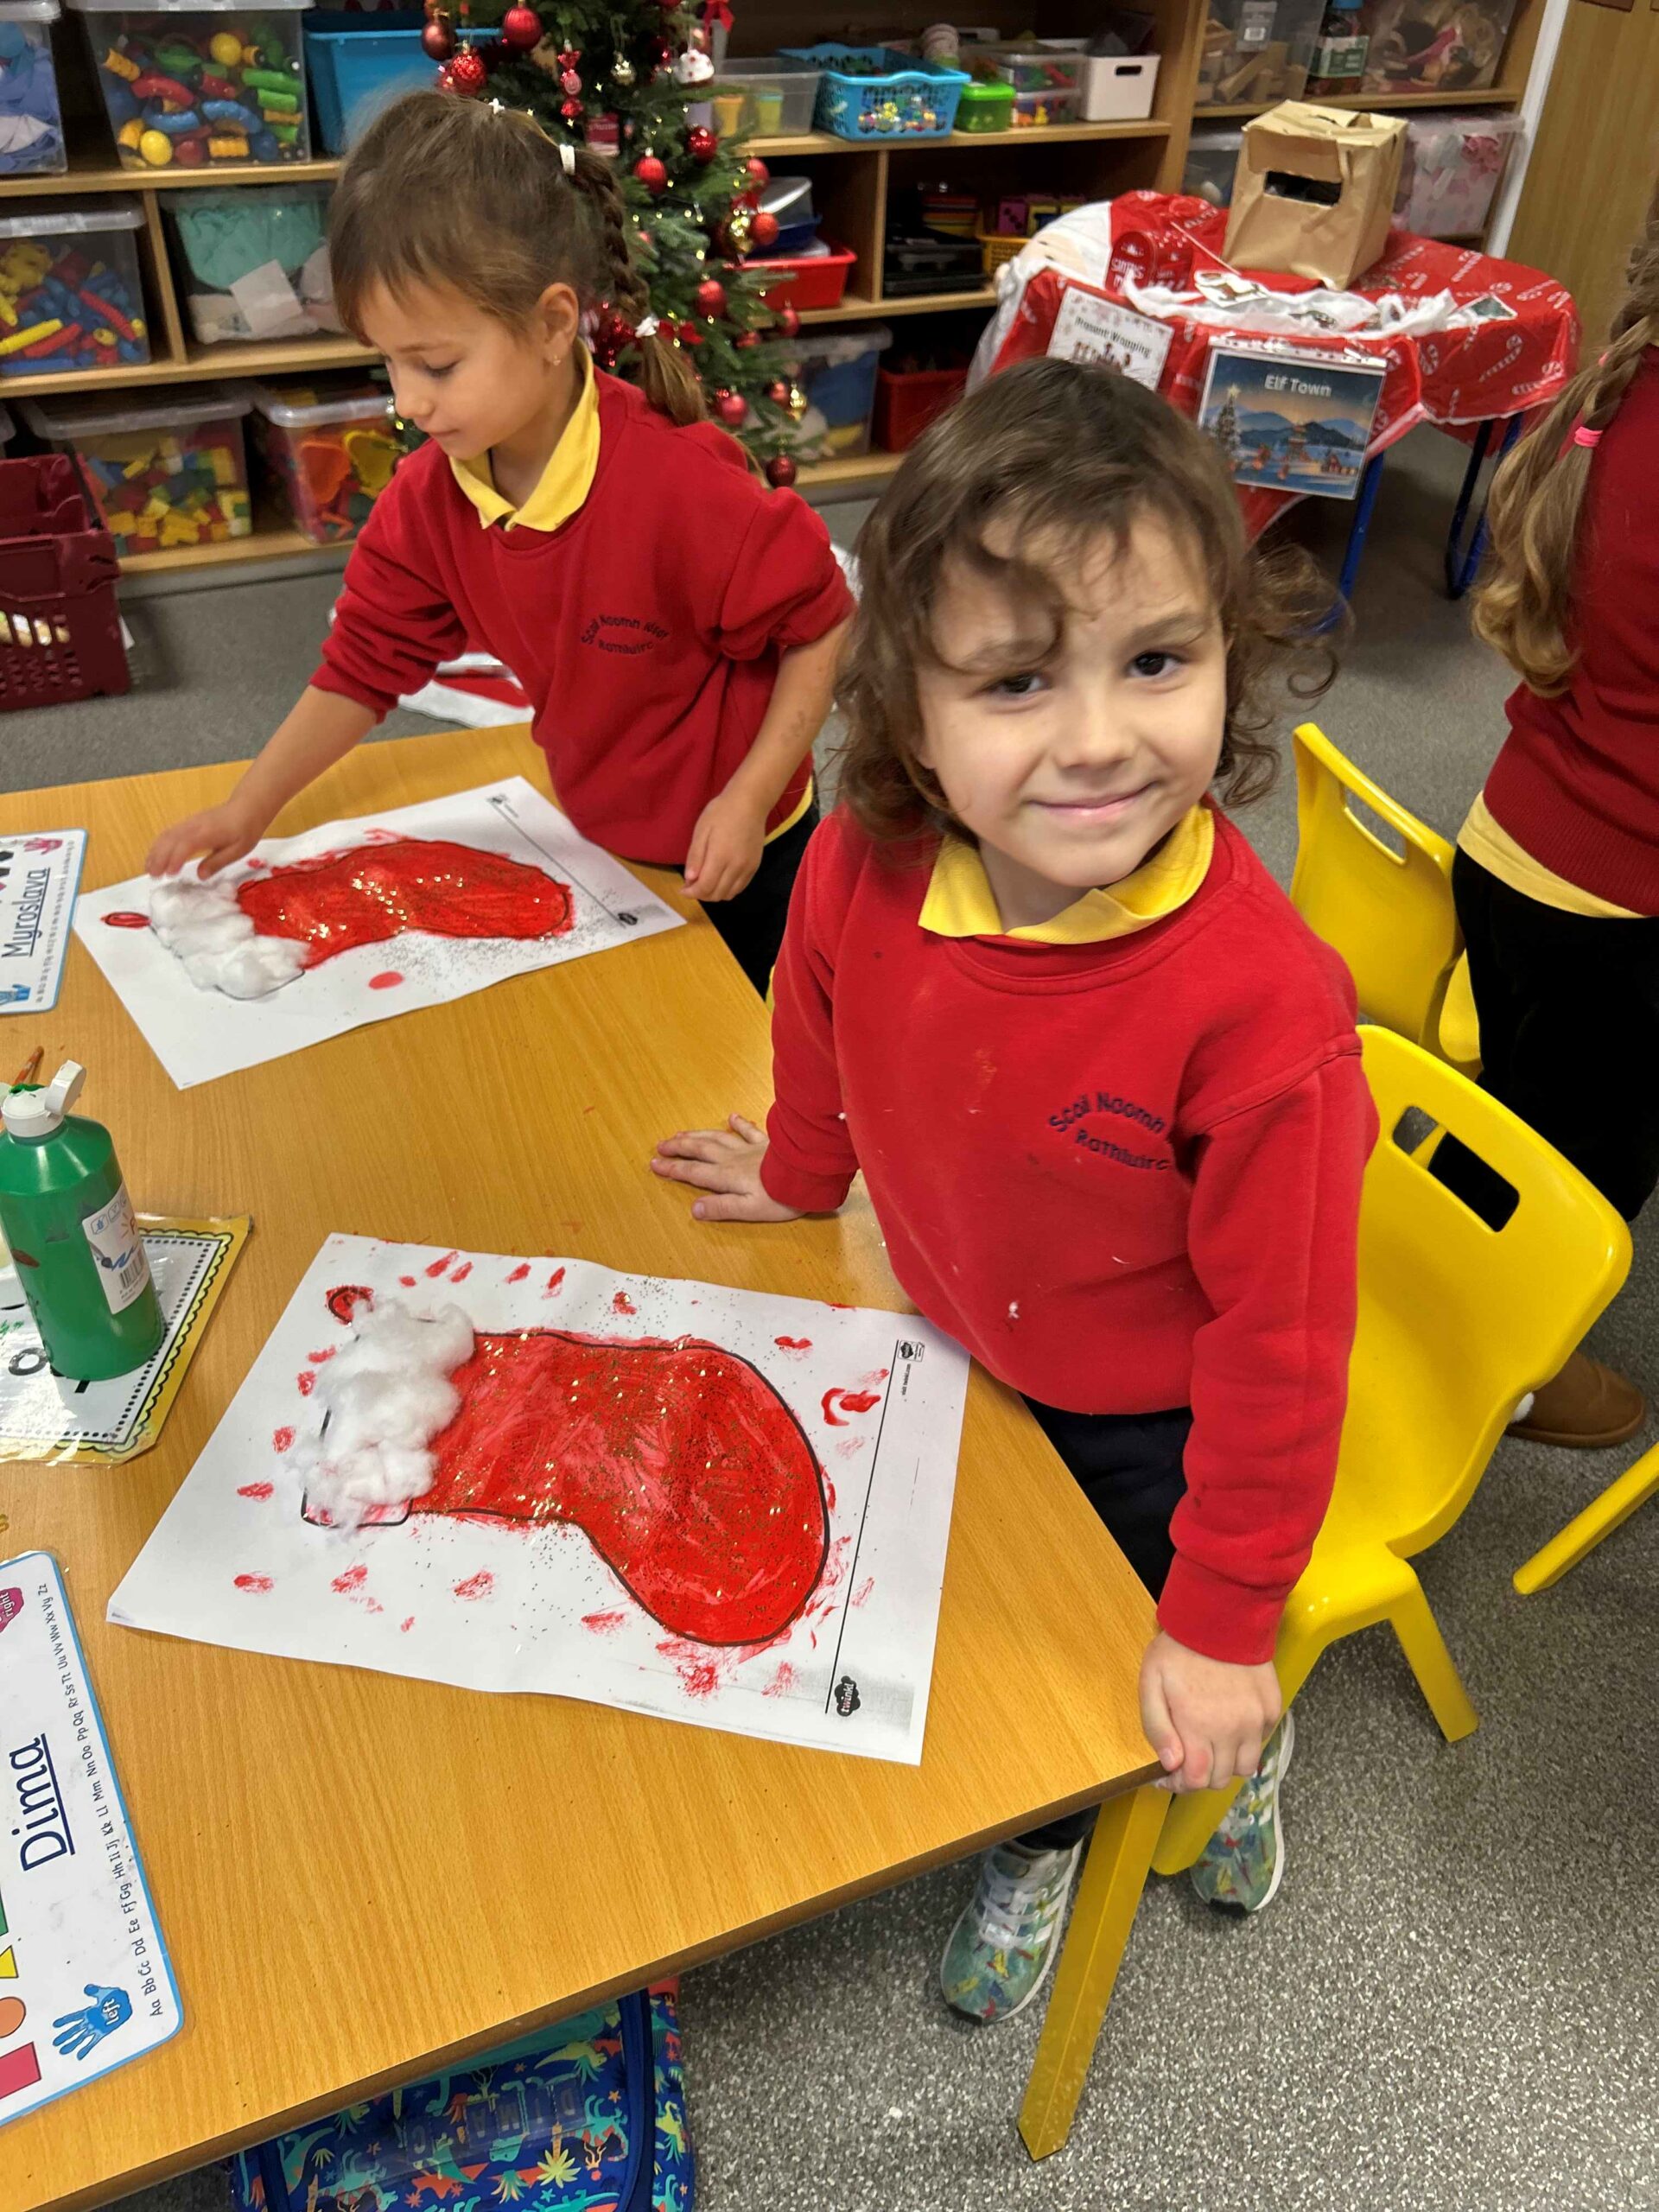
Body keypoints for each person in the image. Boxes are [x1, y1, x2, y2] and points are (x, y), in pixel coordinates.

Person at [652, 359, 1376, 2018]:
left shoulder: (1270, 1019)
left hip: (1150, 1419)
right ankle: (1060, 1795)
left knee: (1097, 1680)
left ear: (1229, 658)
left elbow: (1282, 1353)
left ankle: (1076, 1823)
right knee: (971, 1614)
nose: (1101, 739)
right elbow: (816, 1013)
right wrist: (801, 1170)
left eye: (1158, 660)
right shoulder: (868, 852)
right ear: (910, 707)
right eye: (1019, 680)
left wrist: (1224, 1626)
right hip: (959, 1328)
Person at [145, 93, 852, 996]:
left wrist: (749, 799)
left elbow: (823, 626)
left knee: (765, 1033)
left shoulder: (684, 486)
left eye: (436, 365)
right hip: (603, 838)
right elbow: (360, 669)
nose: (409, 401)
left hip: (753, 843)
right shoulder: (428, 499)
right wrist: (249, 806)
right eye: (388, 361)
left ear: (554, 324)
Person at [1439, 174, 1659, 1446]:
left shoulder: (1619, 395)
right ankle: (1518, 1363)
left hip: (1511, 840)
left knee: (1524, 1100)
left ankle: (1449, 1262)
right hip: (1620, 905)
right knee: (1587, 1169)